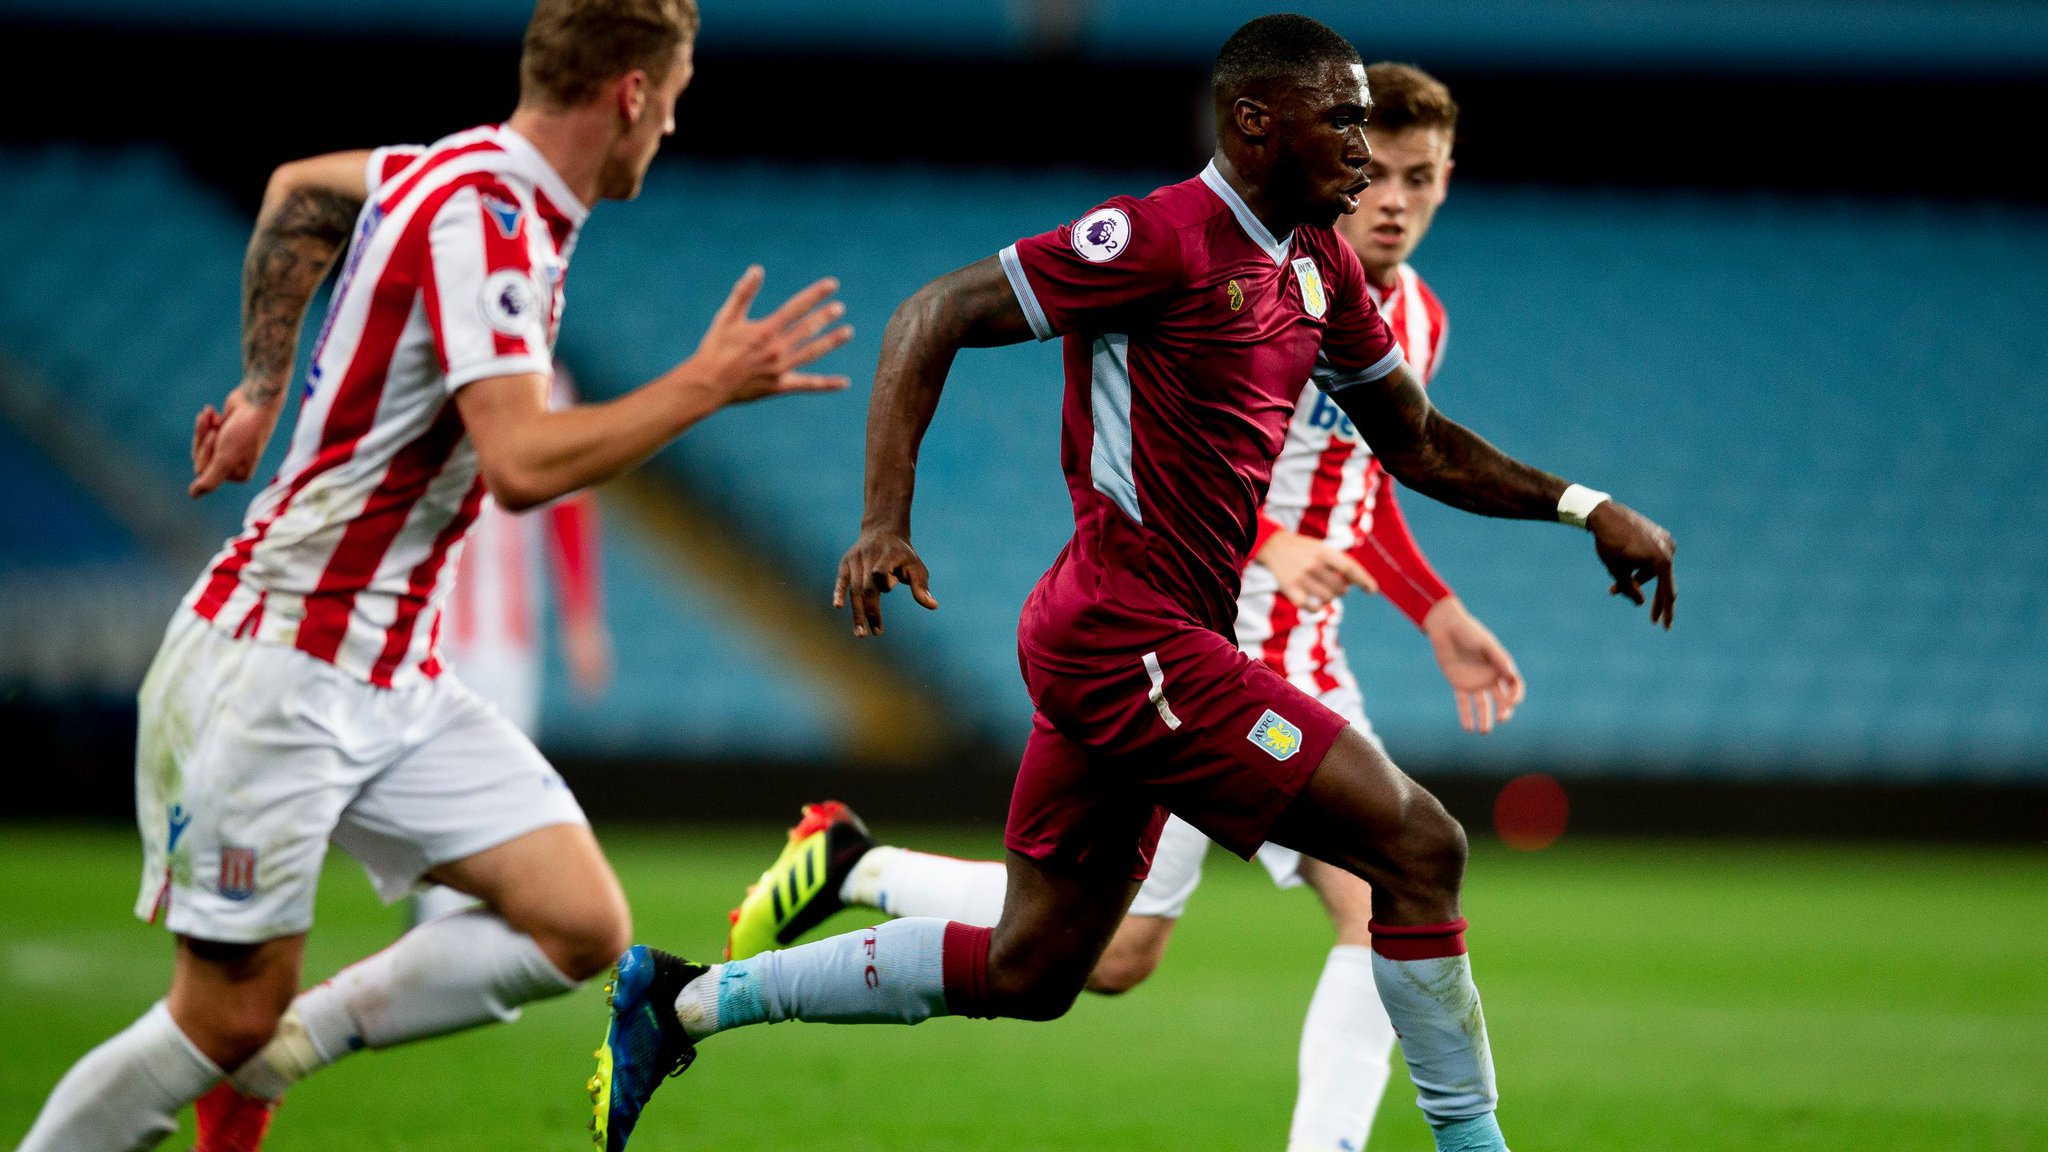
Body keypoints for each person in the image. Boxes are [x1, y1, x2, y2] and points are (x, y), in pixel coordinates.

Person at [595, 16, 1674, 1152]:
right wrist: (880, 521)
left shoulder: (1318, 268)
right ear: (1255, 124)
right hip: (1132, 636)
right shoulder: (1154, 238)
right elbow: (933, 313)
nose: (1362, 153)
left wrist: (1583, 507)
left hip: (1143, 645)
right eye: (1344, 121)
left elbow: (1418, 444)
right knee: (1417, 848)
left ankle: (680, 1002)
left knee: (1039, 966)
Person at [11, 1, 854, 1148]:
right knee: (218, 1013)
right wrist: (703, 383)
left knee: (577, 926)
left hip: (388, 669)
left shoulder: (455, 170)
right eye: (678, 92)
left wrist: (263, 387)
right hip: (279, 667)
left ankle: (279, 1061)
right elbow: (516, 462)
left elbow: (298, 193)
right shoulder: (495, 221)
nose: (672, 124)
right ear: (631, 93)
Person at [410, 359, 613, 928]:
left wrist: (581, 616)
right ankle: (439, 922)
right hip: (427, 620)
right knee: (441, 779)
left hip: (507, 637)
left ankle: (462, 917)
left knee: (500, 786)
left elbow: (569, 498)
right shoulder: (428, 361)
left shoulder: (549, 380)